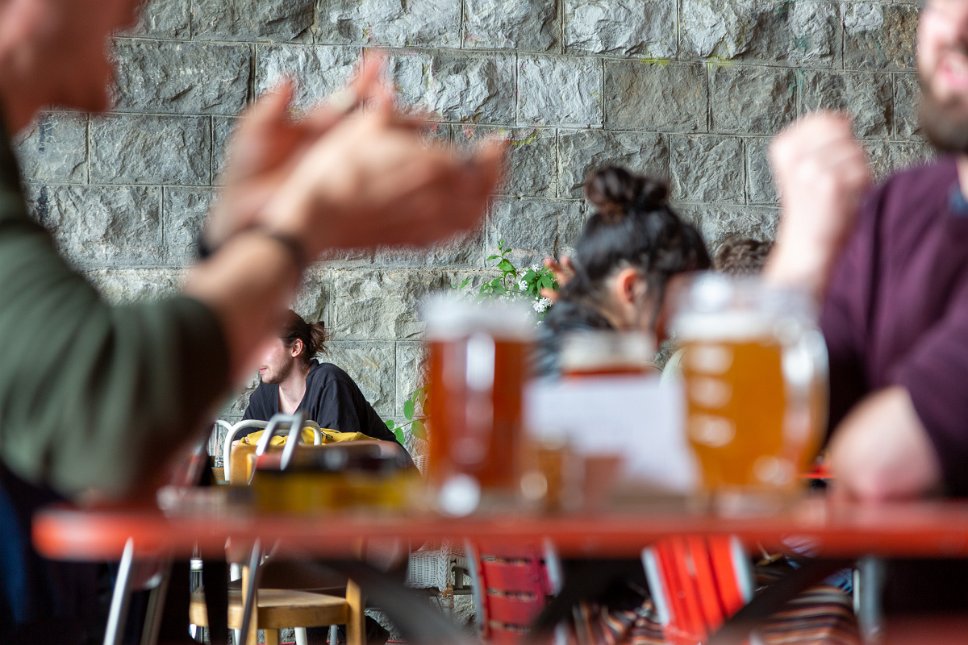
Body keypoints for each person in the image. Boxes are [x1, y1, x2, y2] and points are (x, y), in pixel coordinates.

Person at [0, 0, 504, 641]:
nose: (131, 18)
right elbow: (104, 407)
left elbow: (117, 427)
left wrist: (238, 237)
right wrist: (299, 224)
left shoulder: (329, 385)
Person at [764, 0, 968, 611]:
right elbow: (753, 439)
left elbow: (883, 471)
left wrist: (851, 451)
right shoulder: (901, 209)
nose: (953, 29)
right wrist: (800, 255)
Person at [534, 165, 711, 377]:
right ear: (632, 287)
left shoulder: (571, 340)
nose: (680, 319)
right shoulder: (589, 373)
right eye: (679, 301)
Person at [241, 310, 398, 444]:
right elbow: (239, 446)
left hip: (389, 478)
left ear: (295, 348)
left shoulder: (329, 382)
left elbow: (336, 462)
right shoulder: (265, 394)